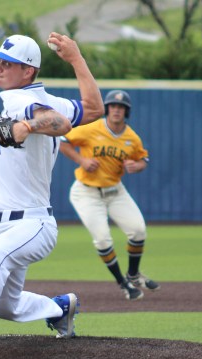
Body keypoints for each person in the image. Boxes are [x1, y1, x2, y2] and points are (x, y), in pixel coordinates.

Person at [0, 33, 104, 359]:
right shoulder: (43, 99)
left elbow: (60, 123)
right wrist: (76, 59)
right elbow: (94, 108)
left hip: (32, 224)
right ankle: (59, 309)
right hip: (3, 225)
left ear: (28, 71)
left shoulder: (20, 100)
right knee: (5, 307)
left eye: (9, 62)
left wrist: (26, 127)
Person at [58, 90, 160, 301]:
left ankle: (133, 275)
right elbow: (63, 141)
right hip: (86, 192)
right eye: (113, 106)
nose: (116, 110)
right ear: (107, 108)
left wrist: (137, 166)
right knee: (103, 240)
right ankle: (123, 283)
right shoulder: (92, 128)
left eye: (121, 107)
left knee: (138, 230)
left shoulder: (131, 138)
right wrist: (81, 160)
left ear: (126, 111)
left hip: (115, 190)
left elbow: (143, 159)